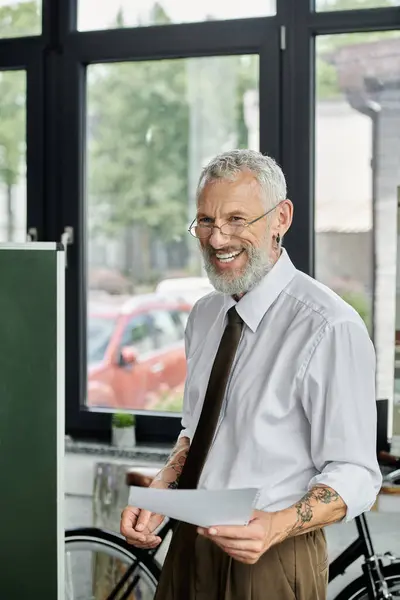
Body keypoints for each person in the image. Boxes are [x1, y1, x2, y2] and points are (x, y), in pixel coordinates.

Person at [120, 149, 382, 600]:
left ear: (280, 218)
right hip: (188, 544)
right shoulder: (205, 315)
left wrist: (276, 527)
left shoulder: (328, 325)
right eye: (205, 220)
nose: (218, 238)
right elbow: (196, 432)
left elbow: (357, 473)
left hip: (271, 558)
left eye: (237, 219)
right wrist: (162, 491)